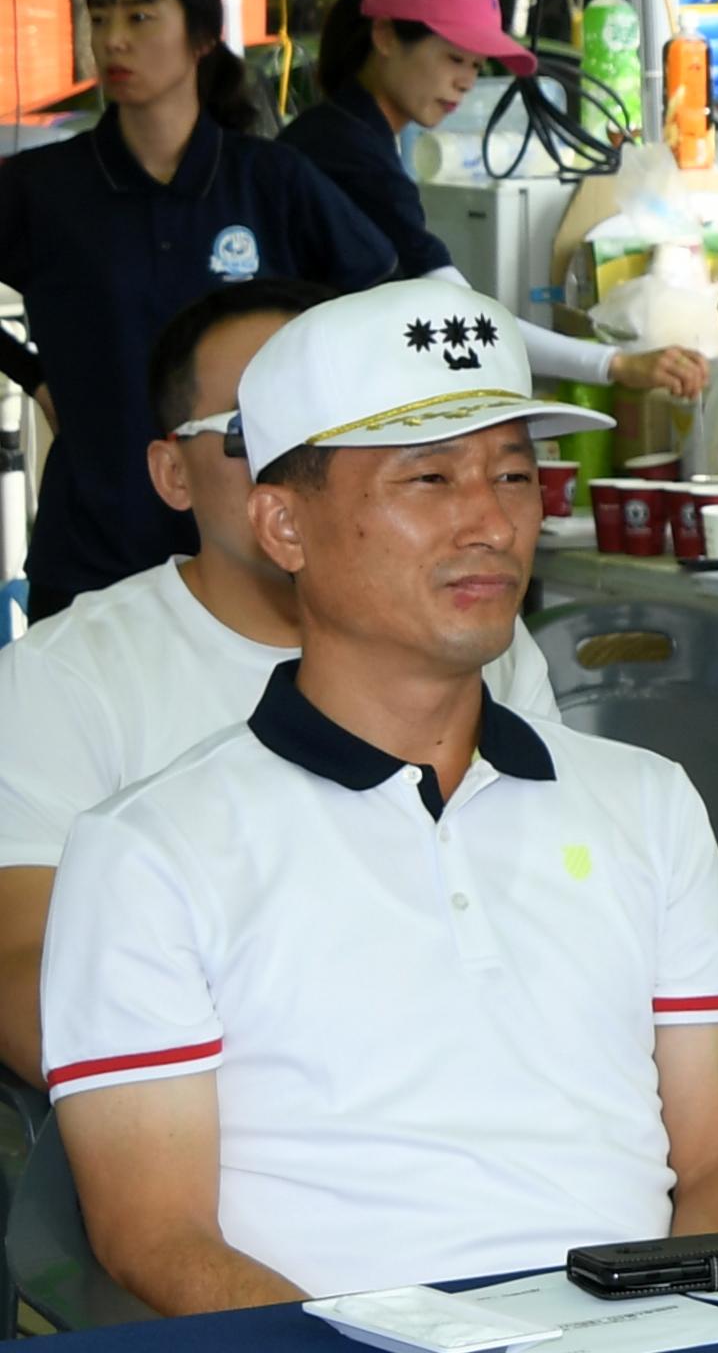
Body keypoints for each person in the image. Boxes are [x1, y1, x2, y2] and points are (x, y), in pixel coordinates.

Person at [37, 283, 718, 1310]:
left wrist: (671, 1325)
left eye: (515, 471)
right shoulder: (152, 850)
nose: (489, 519)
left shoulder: (646, 803)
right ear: (283, 522)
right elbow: (156, 1238)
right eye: (428, 476)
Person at [0, 277, 564, 1085]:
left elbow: (553, 903)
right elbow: (25, 980)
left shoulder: (484, 650)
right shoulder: (65, 680)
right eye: (247, 428)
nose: (285, 452)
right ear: (172, 473)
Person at [0, 0, 394, 616]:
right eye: (99, 18)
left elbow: (373, 295)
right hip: (94, 555)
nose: (113, 40)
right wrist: (31, 374)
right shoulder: (44, 187)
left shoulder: (268, 180)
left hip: (260, 551)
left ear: (202, 34)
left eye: (140, 16)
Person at [281, 0, 712, 408]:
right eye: (453, 58)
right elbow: (461, 313)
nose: (466, 81)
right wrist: (617, 364)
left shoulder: (345, 133)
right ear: (385, 36)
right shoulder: (349, 151)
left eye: (475, 64)